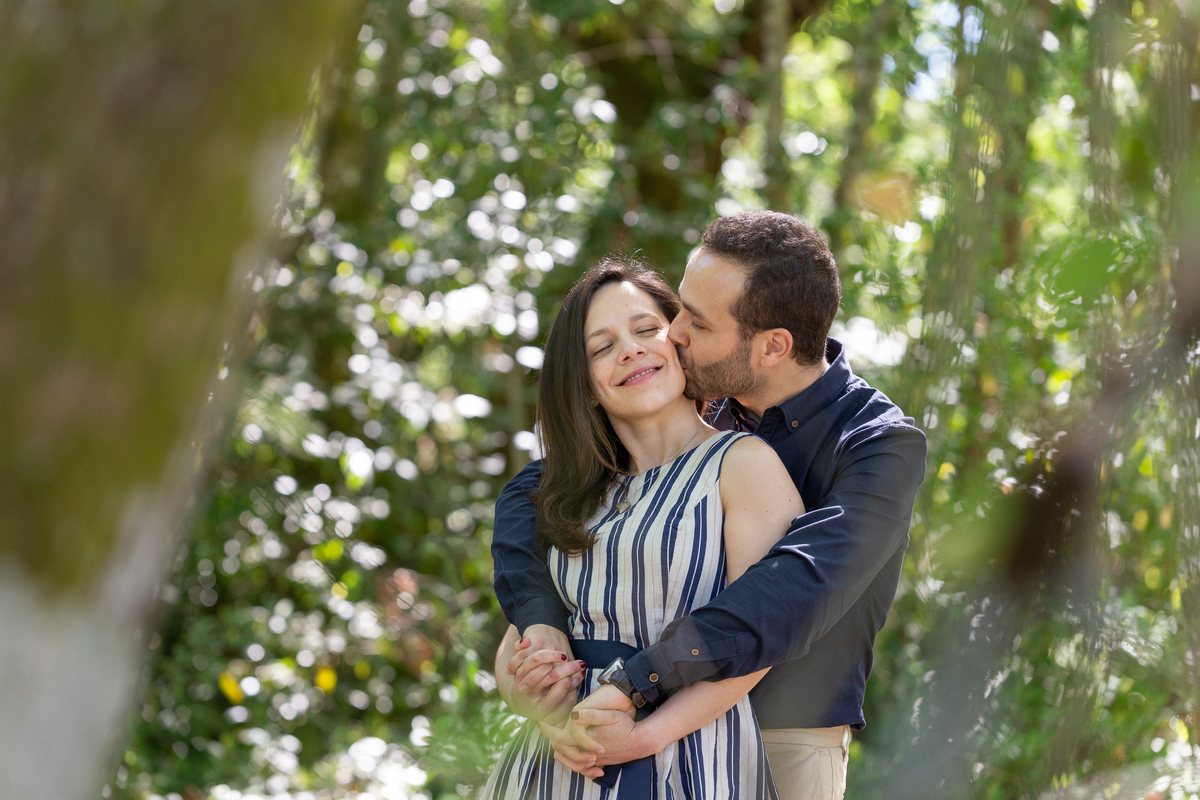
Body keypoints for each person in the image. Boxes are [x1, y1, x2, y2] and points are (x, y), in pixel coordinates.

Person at [493, 211, 928, 800]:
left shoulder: (876, 446)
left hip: (783, 736)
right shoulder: (694, 397)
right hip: (611, 726)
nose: (672, 334)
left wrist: (634, 688)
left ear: (772, 346)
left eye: (693, 322)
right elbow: (537, 490)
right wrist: (540, 629)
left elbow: (788, 594)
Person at [482, 257, 803, 799]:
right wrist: (531, 693)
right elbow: (521, 639)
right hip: (556, 765)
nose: (630, 349)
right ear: (584, 385)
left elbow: (764, 636)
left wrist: (646, 736)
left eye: (646, 329)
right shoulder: (569, 494)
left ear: (679, 341)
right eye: (601, 348)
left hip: (689, 755)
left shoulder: (744, 464)